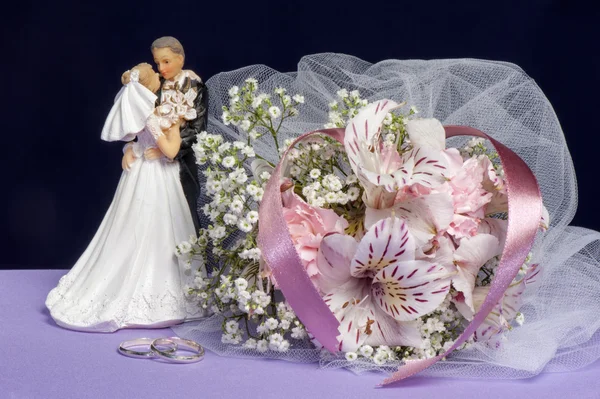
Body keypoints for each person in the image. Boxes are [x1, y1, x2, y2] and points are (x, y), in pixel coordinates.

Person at [45, 63, 203, 332]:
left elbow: (135, 140)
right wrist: (172, 131)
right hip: (156, 175)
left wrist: (131, 149)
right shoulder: (153, 117)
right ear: (150, 86)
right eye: (154, 74)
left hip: (141, 171)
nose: (158, 73)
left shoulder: (143, 113)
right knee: (155, 227)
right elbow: (171, 149)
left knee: (142, 223)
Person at [122, 36, 207, 232]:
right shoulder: (153, 85)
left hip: (180, 162)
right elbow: (139, 121)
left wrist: (167, 151)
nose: (161, 68)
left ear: (181, 59)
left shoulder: (194, 86)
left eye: (166, 61)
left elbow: (196, 130)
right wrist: (130, 147)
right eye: (157, 62)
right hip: (149, 163)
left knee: (183, 214)